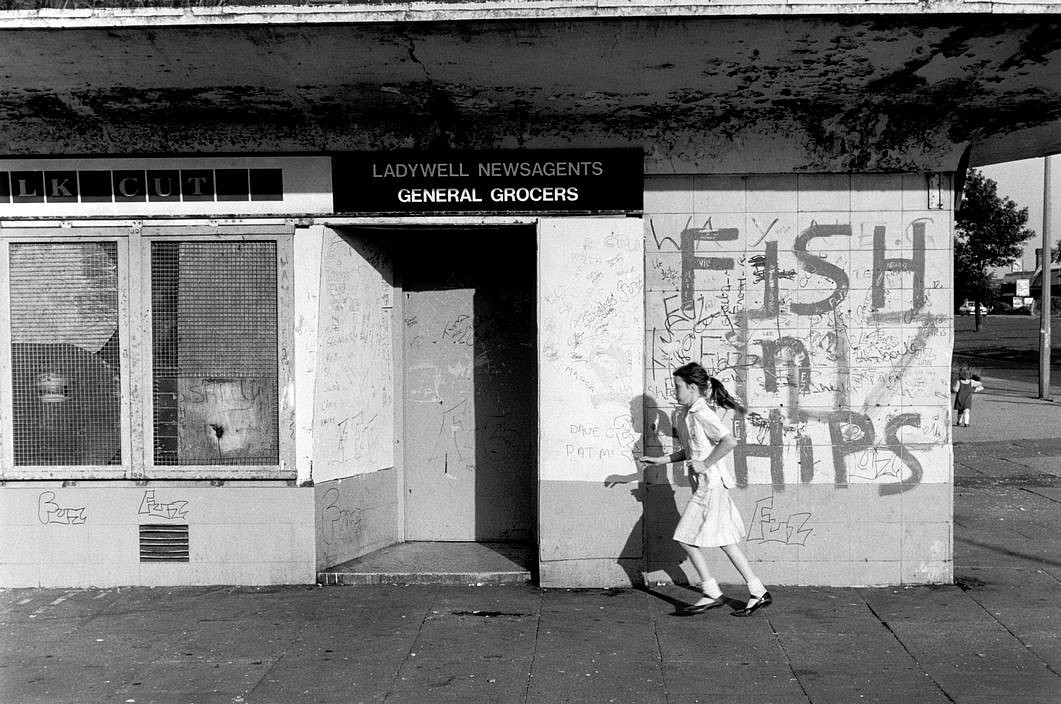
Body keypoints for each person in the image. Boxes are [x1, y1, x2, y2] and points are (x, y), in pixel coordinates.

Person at [638, 362, 771, 617]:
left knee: (685, 538)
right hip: (708, 485)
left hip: (710, 487)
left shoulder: (701, 413)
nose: (674, 391)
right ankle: (758, 591)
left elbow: (729, 441)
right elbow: (690, 452)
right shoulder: (687, 414)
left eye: (678, 386)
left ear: (691, 387)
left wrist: (706, 463)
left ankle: (711, 591)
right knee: (727, 542)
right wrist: (660, 461)